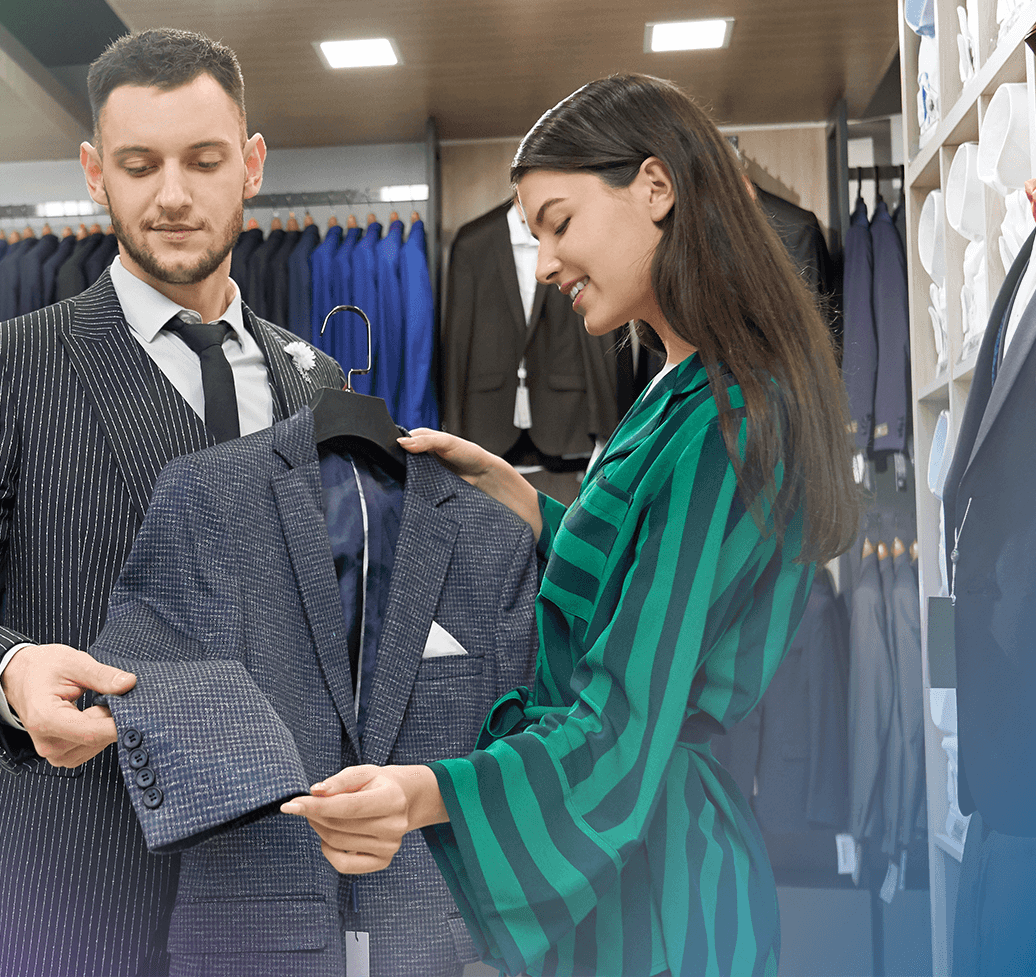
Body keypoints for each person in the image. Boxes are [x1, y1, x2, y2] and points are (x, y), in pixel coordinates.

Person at [282, 74, 861, 977]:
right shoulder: (682, 385)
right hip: (632, 865)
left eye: (558, 224)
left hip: (655, 892)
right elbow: (650, 569)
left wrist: (424, 794)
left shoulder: (730, 417)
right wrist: (521, 498)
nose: (546, 265)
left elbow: (620, 722)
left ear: (656, 188)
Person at [0, 29, 341, 977]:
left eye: (203, 160)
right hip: (75, 880)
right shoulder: (8, 363)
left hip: (279, 880)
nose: (172, 195)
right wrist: (9, 671)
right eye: (139, 165)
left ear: (251, 165)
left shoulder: (316, 380)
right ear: (95, 173)